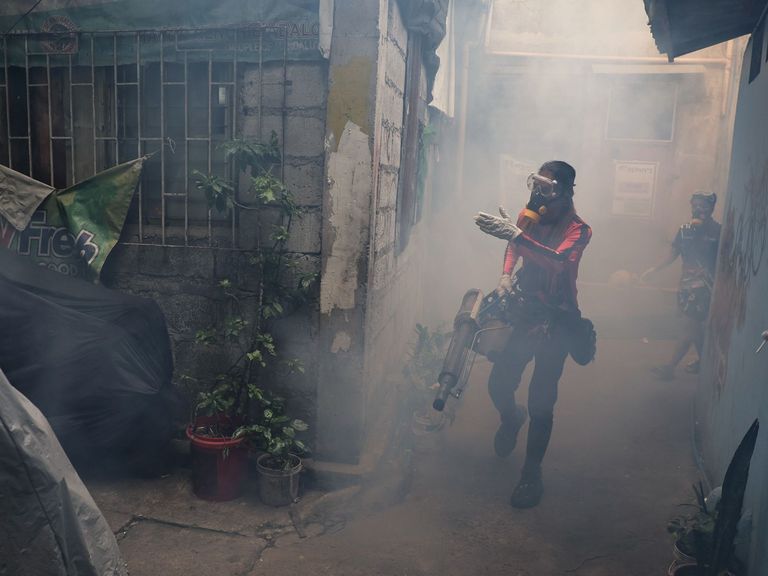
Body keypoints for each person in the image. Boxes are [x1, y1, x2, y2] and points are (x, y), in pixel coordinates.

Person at [474, 160, 591, 508]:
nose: (540, 192)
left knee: (541, 402)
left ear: (566, 191)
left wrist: (517, 235)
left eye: (549, 187)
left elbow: (556, 261)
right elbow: (514, 246)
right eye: (537, 183)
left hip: (558, 320)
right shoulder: (531, 215)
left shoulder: (579, 229)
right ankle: (511, 417)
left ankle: (531, 474)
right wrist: (506, 275)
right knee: (498, 383)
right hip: (526, 313)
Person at [642, 192, 720, 380]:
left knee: (690, 328)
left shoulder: (718, 231)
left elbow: (723, 261)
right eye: (695, 206)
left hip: (704, 289)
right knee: (692, 329)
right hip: (685, 287)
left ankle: (670, 368)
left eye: (703, 206)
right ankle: (702, 364)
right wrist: (654, 270)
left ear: (711, 209)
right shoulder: (684, 230)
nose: (698, 209)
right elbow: (673, 254)